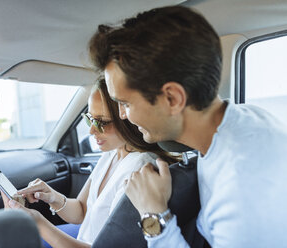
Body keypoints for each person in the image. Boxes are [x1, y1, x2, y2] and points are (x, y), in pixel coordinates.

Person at [88, 5, 287, 248]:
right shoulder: (246, 119)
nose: (123, 116)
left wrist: (154, 214)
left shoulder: (243, 191)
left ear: (172, 99)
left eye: (125, 103)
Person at [1, 79, 178, 248]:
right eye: (89, 119)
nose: (92, 130)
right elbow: (81, 211)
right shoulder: (111, 154)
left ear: (127, 119)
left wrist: (37, 222)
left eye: (102, 122)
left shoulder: (140, 171)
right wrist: (51, 196)